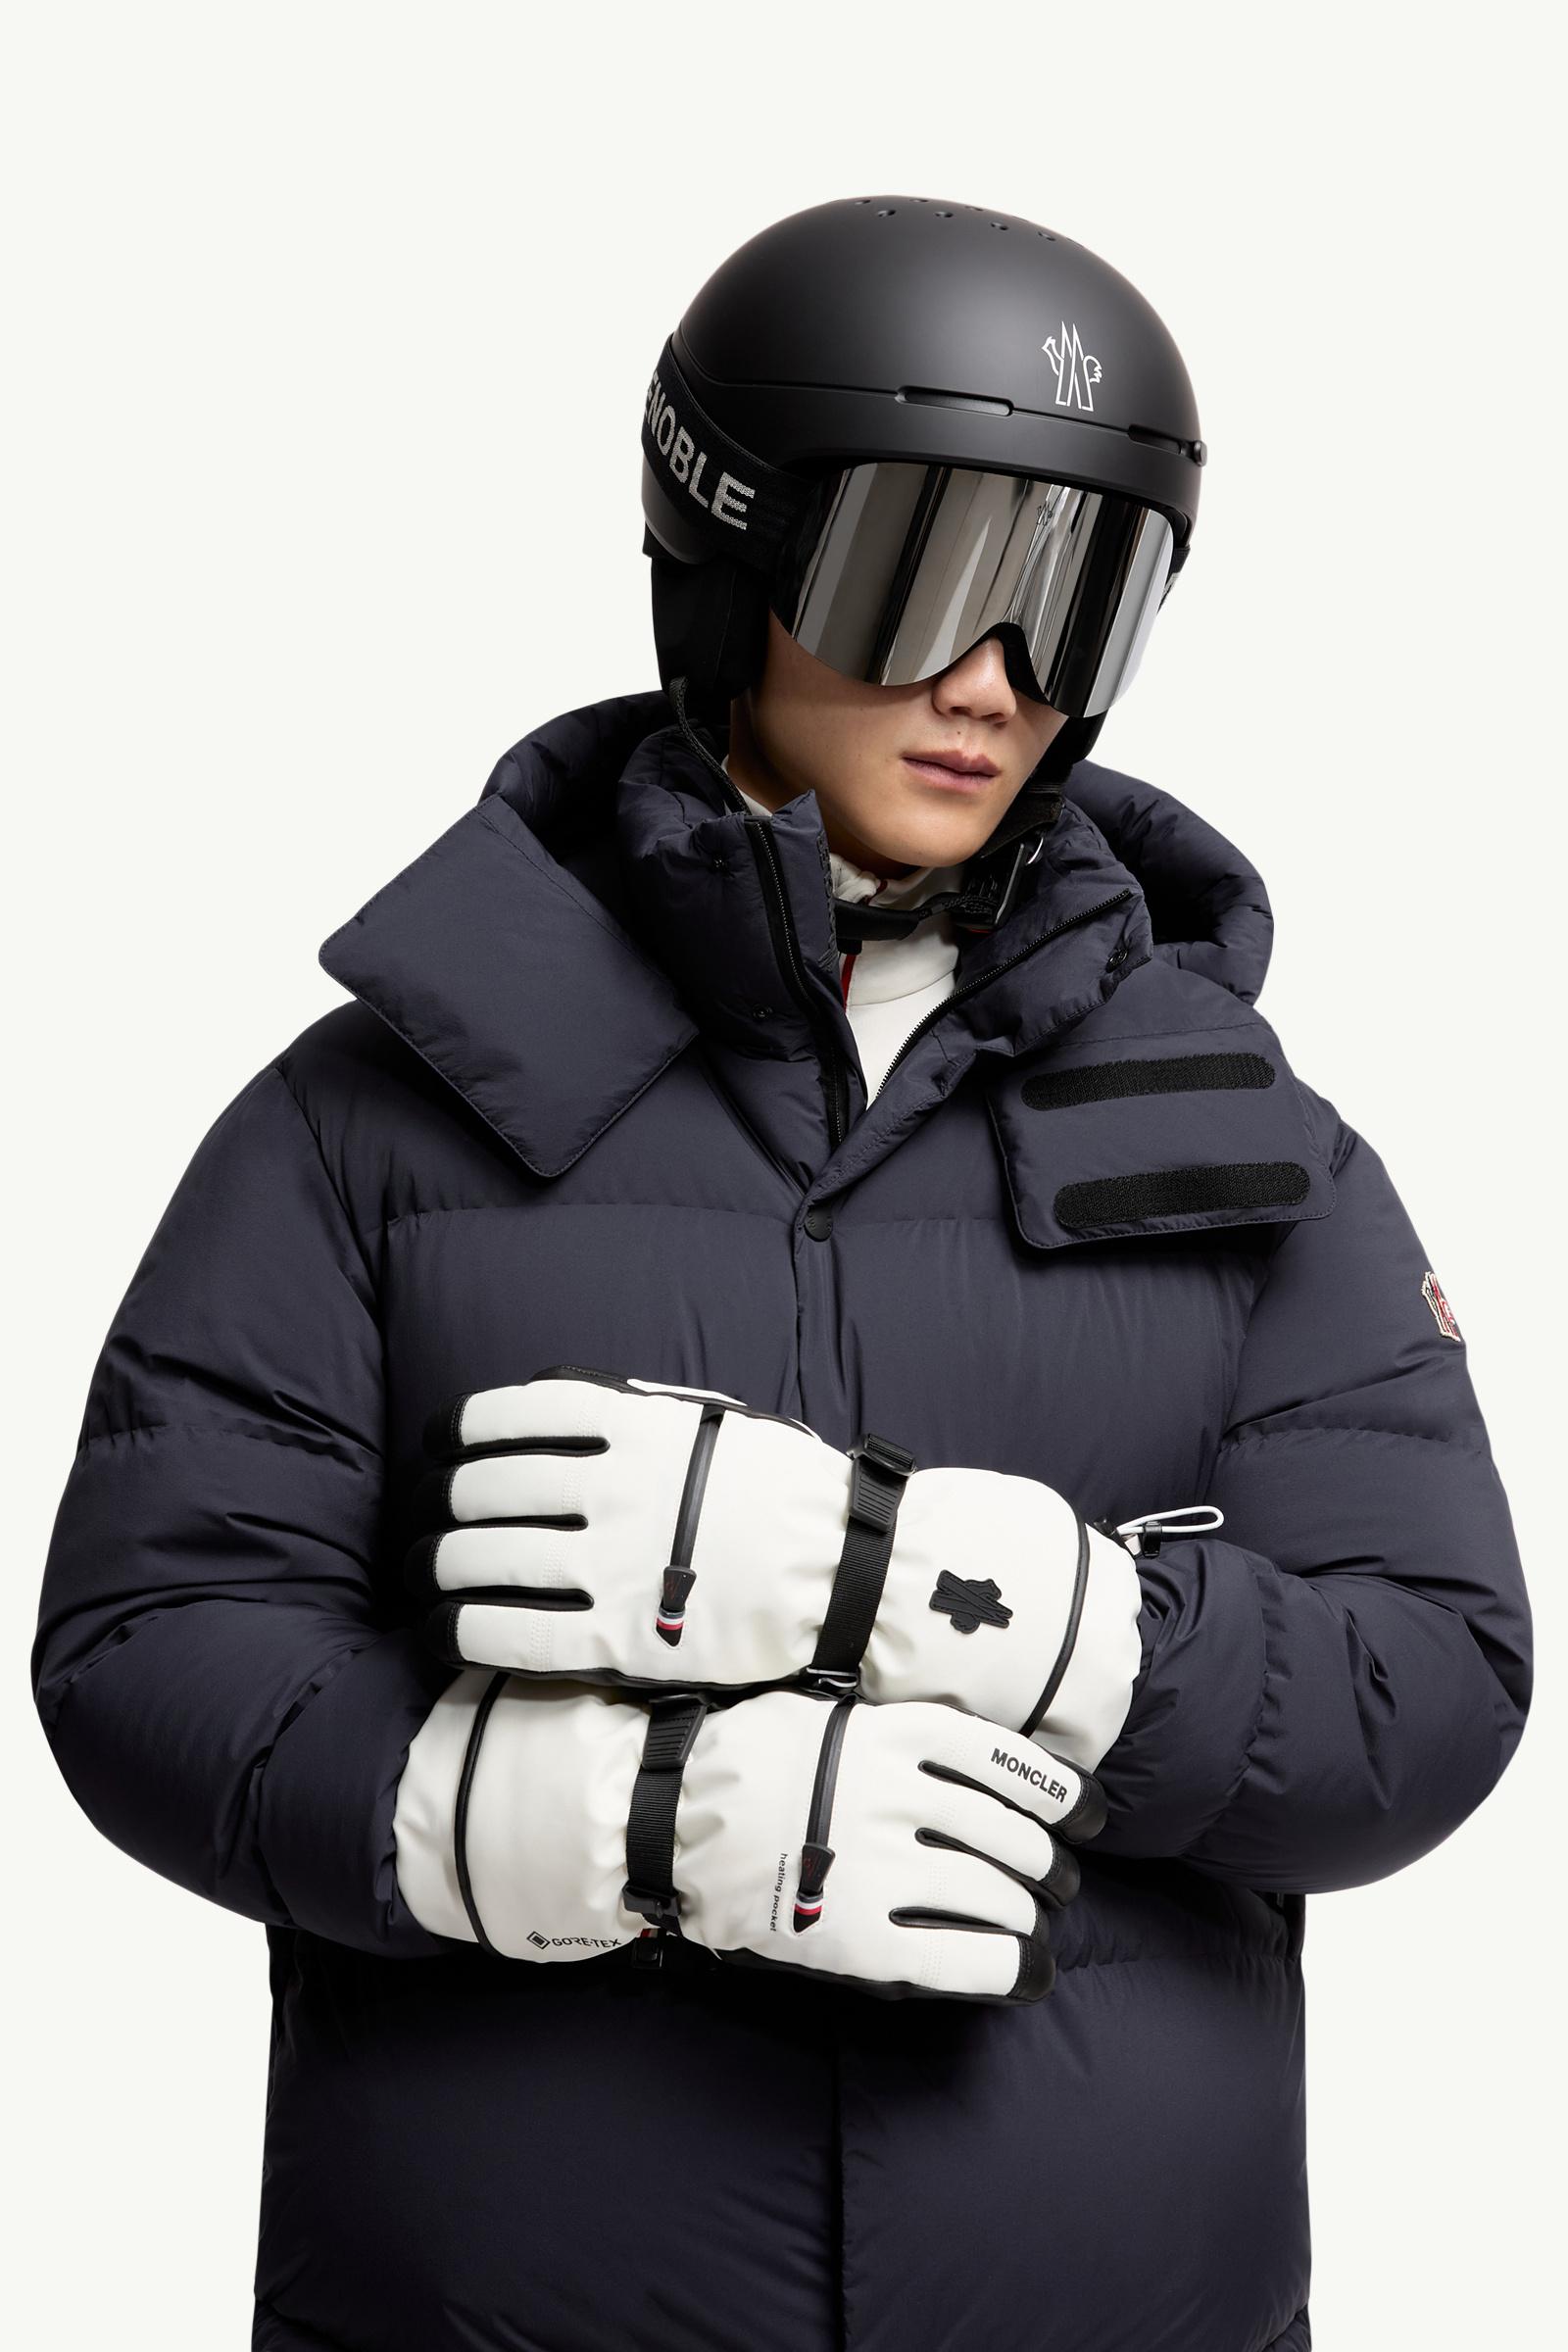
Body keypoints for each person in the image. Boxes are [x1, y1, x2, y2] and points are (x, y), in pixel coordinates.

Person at [32, 195, 1532, 2352]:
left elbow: (1429, 1690)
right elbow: (153, 1645)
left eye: (1074, 599)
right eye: (921, 567)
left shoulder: (1245, 1145)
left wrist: (958, 1599)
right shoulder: (375, 1119)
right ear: (728, 554)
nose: (992, 680)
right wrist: (603, 1824)